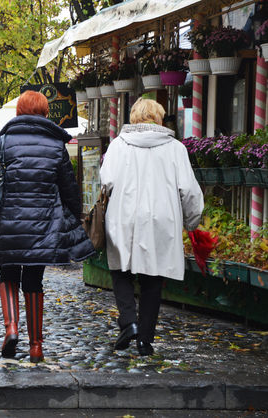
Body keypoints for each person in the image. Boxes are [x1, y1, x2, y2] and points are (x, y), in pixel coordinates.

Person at [0, 90, 95, 363]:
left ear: (18, 111)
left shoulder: (2, 142)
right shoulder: (56, 146)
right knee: (34, 282)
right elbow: (70, 190)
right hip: (43, 227)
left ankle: (11, 328)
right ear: (44, 113)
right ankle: (36, 347)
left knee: (8, 276)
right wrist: (74, 219)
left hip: (6, 223)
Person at [100, 98, 203, 356]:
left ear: (133, 118)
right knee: (153, 278)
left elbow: (106, 182)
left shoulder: (117, 146)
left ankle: (129, 321)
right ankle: (144, 339)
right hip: (160, 218)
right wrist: (192, 221)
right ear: (159, 118)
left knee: (120, 269)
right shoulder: (175, 149)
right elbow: (188, 190)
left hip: (123, 216)